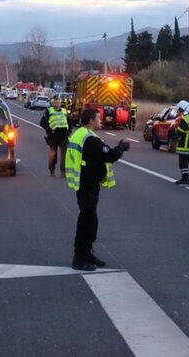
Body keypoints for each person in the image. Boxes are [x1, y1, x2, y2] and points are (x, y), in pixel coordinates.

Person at [65, 108, 129, 271]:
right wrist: (121, 148)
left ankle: (87, 253)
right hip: (88, 184)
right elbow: (109, 155)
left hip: (83, 182)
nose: (101, 121)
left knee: (90, 220)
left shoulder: (80, 133)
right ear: (91, 121)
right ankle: (79, 257)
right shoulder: (90, 139)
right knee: (87, 221)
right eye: (98, 118)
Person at [171, 100, 189, 185]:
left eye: (180, 110)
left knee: (183, 161)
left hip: (184, 144)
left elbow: (180, 132)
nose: (180, 112)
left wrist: (176, 130)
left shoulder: (185, 119)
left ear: (183, 109)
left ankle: (184, 178)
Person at [40, 97, 70, 177]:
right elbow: (42, 123)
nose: (57, 104)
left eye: (58, 102)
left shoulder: (64, 111)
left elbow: (70, 123)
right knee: (53, 154)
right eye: (55, 102)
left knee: (64, 154)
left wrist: (68, 133)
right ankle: (51, 170)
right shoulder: (49, 111)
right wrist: (50, 130)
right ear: (53, 103)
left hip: (63, 136)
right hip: (53, 135)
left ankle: (63, 172)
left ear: (61, 103)